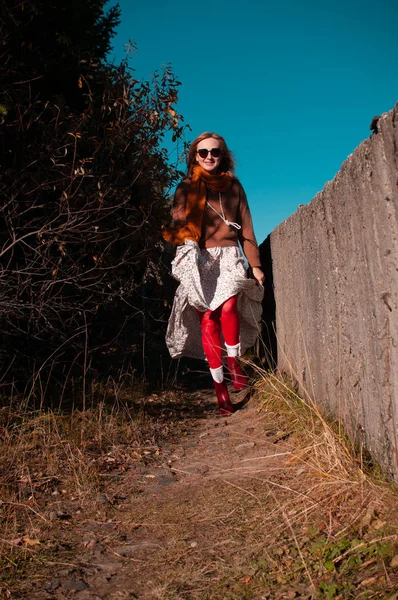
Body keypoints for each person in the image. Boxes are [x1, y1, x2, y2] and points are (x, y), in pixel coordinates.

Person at [163, 132, 264, 415]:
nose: (209, 157)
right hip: (199, 257)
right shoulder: (185, 187)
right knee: (208, 320)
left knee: (230, 305)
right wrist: (186, 236)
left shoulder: (234, 187)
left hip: (229, 254)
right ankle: (220, 390)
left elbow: (247, 229)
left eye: (215, 152)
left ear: (223, 156)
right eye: (203, 152)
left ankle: (233, 361)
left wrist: (254, 264)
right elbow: (178, 221)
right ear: (195, 155)